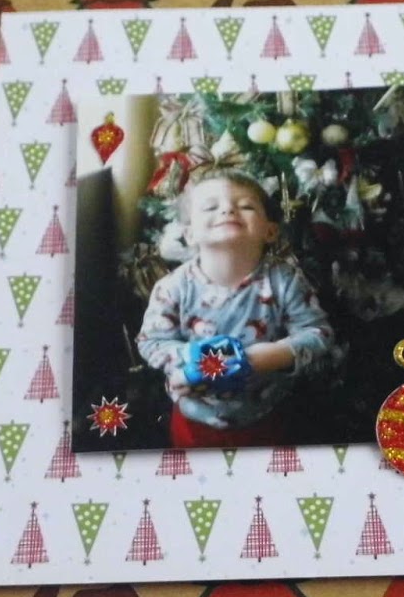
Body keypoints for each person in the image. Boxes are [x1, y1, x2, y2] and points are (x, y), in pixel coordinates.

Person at [137, 169, 333, 448]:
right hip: (194, 422)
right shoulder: (172, 287)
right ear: (189, 234)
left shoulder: (285, 280)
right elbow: (151, 341)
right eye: (210, 207)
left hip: (269, 417)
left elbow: (318, 333)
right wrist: (193, 361)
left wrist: (271, 355)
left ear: (270, 231)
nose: (227, 209)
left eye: (246, 206)